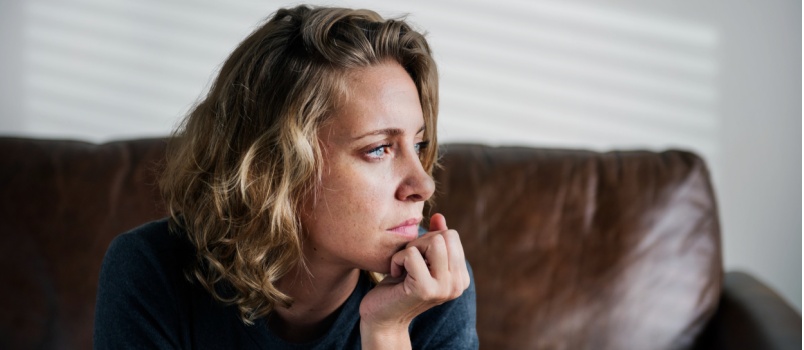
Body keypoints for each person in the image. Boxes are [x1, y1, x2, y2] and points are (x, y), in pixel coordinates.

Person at [94, 4, 478, 349]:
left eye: (420, 144)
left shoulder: (434, 289)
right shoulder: (151, 271)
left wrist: (388, 330)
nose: (424, 185)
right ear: (274, 167)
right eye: (378, 149)